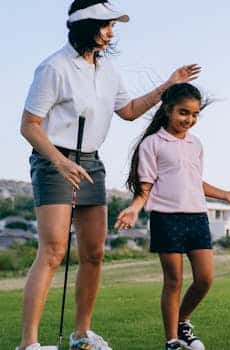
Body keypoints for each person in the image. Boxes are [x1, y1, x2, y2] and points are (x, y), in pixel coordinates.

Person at [18, 1, 200, 349]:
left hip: (91, 163)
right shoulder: (54, 68)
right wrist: (59, 161)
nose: (112, 32)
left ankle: (81, 334)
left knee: (93, 254)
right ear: (87, 25)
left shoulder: (108, 69)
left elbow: (129, 111)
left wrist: (168, 85)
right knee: (54, 251)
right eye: (106, 25)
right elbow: (29, 125)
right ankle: (29, 343)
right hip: (54, 161)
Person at [114, 83, 230, 350]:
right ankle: (172, 341)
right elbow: (145, 186)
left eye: (194, 114)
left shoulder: (195, 144)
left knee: (205, 278)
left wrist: (226, 196)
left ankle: (182, 322)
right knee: (173, 280)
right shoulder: (152, 144)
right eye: (183, 113)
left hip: (197, 217)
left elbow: (194, 180)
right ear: (168, 110)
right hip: (166, 219)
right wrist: (133, 208)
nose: (189, 119)